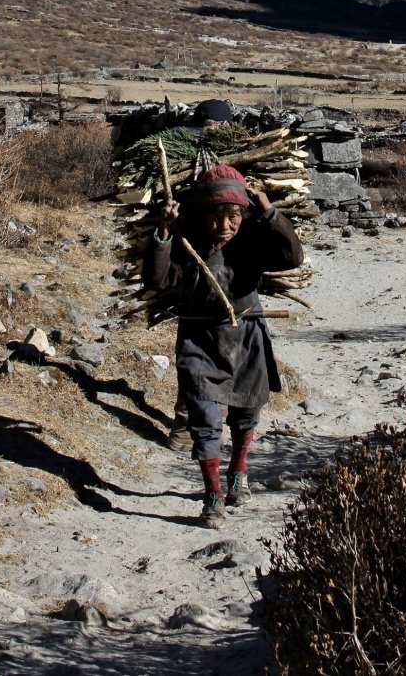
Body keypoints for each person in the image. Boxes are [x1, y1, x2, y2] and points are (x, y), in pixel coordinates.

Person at [142, 164, 304, 528]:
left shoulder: (251, 239)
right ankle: (212, 496)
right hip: (199, 340)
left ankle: (238, 471)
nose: (225, 226)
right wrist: (164, 232)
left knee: (247, 412)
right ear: (202, 215)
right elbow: (156, 280)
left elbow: (292, 258)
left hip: (246, 336)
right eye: (216, 217)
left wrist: (269, 212)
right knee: (204, 419)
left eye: (233, 216)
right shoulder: (186, 241)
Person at [166, 98, 234, 451]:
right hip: (223, 275)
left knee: (190, 353)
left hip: (191, 273)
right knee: (221, 354)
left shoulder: (179, 157)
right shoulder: (230, 158)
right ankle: (207, 426)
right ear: (223, 125)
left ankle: (184, 428)